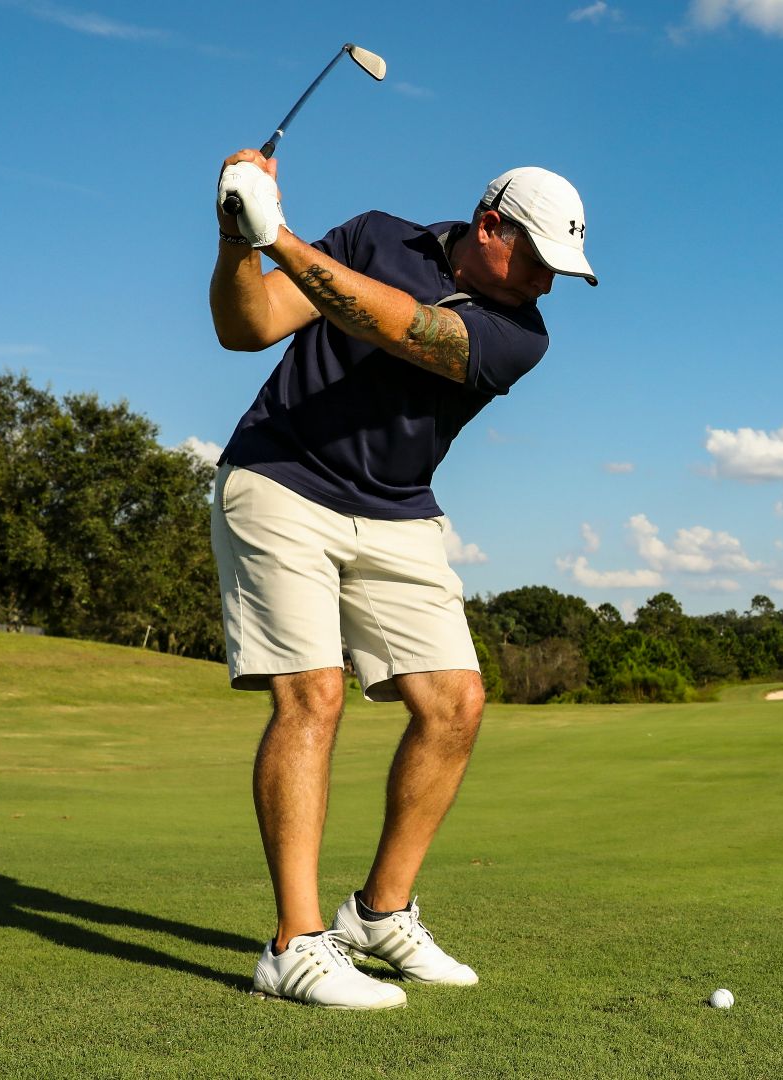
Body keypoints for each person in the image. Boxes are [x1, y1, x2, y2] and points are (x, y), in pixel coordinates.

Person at [207, 149, 596, 1010]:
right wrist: (240, 239)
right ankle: (296, 945)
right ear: (489, 226)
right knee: (312, 696)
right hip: (278, 478)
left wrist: (283, 238)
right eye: (535, 260)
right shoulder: (375, 236)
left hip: (396, 509)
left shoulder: (521, 335)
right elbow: (249, 328)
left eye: (560, 271)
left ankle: (379, 914)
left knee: (454, 701)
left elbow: (406, 330)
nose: (545, 283)